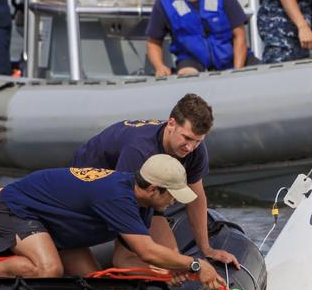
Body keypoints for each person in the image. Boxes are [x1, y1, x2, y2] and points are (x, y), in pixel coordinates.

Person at [0, 156, 227, 290]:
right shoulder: (117, 196)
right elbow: (147, 251)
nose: (174, 202)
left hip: (55, 225)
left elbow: (126, 261)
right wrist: (194, 264)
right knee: (48, 270)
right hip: (13, 208)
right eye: (172, 195)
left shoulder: (141, 203)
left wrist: (170, 271)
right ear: (153, 189)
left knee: (91, 280)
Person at [71, 93, 240, 268]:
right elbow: (123, 202)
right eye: (187, 138)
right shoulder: (139, 151)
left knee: (172, 257)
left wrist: (206, 249)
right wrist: (137, 251)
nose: (190, 147)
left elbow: (196, 197)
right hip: (92, 179)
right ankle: (121, 259)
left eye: (197, 141)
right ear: (171, 124)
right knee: (139, 259)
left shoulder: (195, 150)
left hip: (145, 191)